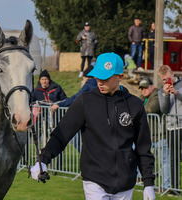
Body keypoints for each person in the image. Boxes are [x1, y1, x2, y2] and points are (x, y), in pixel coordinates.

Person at [31, 52, 155, 200]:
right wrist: (43, 160)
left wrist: (148, 183)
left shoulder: (135, 105)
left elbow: (143, 146)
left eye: (105, 78)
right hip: (94, 180)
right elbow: (62, 133)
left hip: (125, 182)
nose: (100, 82)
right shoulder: (85, 101)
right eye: (97, 76)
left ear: (120, 77)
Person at [139, 77, 171, 190]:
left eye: (146, 87)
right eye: (141, 88)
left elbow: (151, 109)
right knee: (142, 159)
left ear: (152, 86)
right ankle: (141, 180)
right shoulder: (144, 97)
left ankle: (165, 186)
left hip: (159, 135)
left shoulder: (157, 95)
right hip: (148, 135)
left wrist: (140, 107)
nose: (143, 90)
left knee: (164, 161)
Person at [158, 65, 182, 191]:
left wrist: (176, 93)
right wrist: (166, 95)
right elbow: (164, 110)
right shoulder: (161, 91)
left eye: (167, 79)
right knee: (173, 158)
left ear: (172, 73)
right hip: (172, 127)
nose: (166, 82)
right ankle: (175, 188)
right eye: (163, 80)